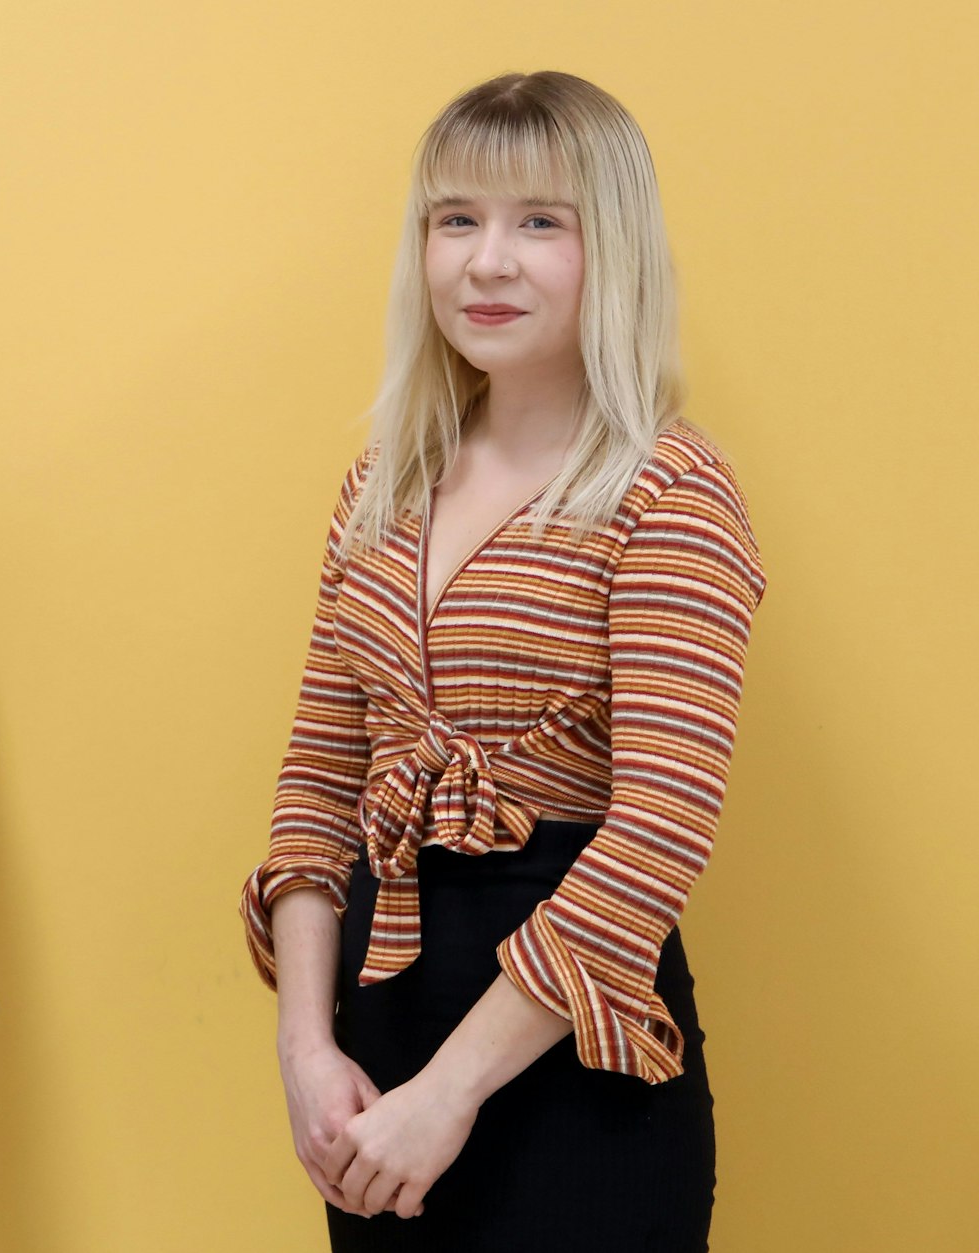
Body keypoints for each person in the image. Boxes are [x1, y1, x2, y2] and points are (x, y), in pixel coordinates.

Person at [238, 72, 766, 1251]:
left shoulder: (671, 495)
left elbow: (659, 828)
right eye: (454, 218)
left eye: (540, 221)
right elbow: (319, 781)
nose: (486, 261)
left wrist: (448, 1094)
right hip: (375, 1059)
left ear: (612, 247)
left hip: (573, 1066)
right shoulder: (384, 483)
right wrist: (308, 1051)